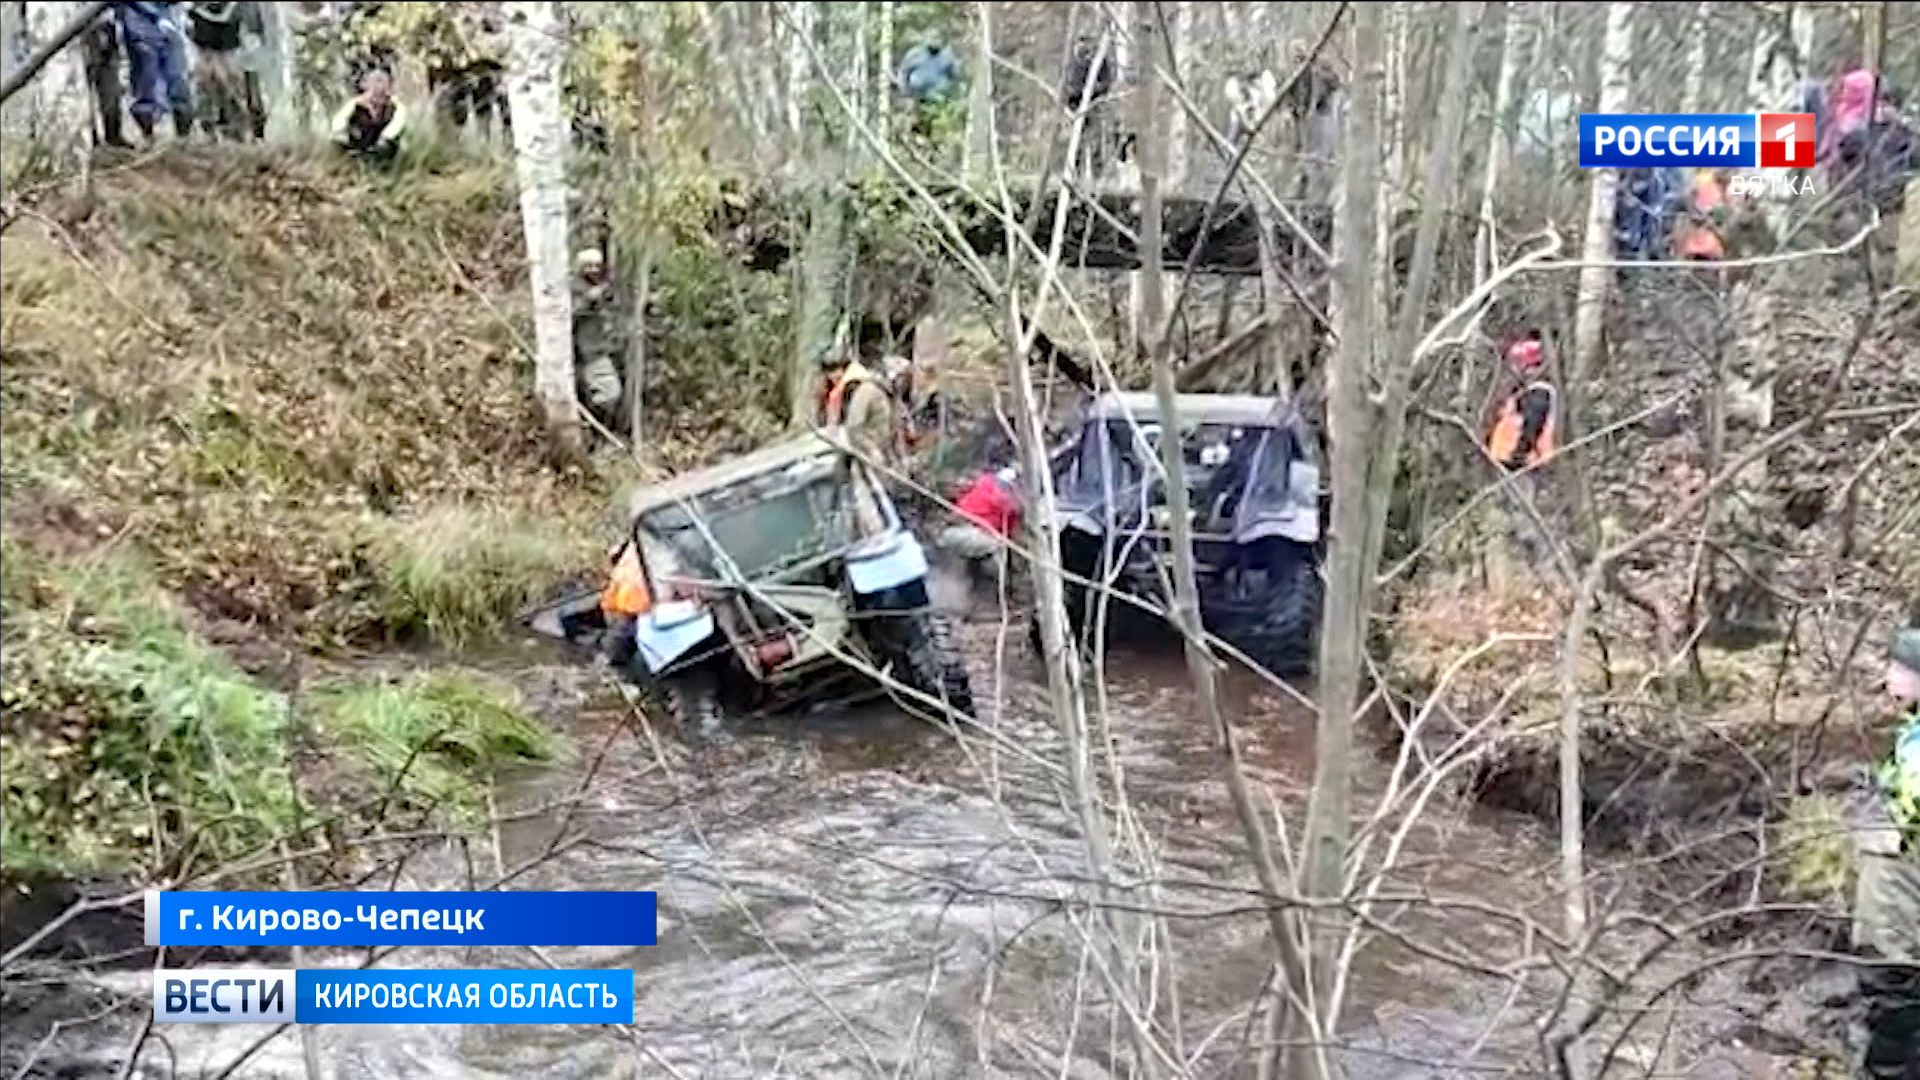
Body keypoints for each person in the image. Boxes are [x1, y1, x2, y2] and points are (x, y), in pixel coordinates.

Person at [1850, 622, 1920, 1078]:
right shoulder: (1912, 733)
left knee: (1894, 999)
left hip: (1900, 906)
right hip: (1899, 897)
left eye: (1898, 667)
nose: (1888, 676)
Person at [1485, 332, 1556, 566]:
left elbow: (1532, 426)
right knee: (1514, 510)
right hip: (1510, 460)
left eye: (1517, 364)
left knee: (1524, 512)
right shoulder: (1524, 392)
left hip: (1523, 463)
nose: (1513, 369)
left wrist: (1519, 454)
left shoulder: (1539, 393)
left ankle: (1541, 561)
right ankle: (1527, 561)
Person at [939, 465, 1022, 616]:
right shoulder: (1008, 501)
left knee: (980, 550)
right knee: (998, 550)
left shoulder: (983, 483)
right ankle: (998, 598)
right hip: (969, 533)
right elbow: (1009, 537)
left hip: (951, 533)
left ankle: (972, 593)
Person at [115, 1, 194, 143]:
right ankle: (148, 136)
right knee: (145, 84)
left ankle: (184, 136)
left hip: (170, 24)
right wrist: (155, 16)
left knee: (178, 80)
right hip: (140, 29)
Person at [186, 2, 265, 141]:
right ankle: (208, 130)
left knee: (234, 85)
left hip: (231, 45)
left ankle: (240, 131)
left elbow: (252, 25)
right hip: (203, 44)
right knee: (205, 84)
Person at [572, 248, 625, 432]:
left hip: (602, 350)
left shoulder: (601, 289)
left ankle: (596, 428)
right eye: (588, 266)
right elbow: (568, 313)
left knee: (606, 394)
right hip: (588, 353)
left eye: (597, 266)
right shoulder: (574, 289)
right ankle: (594, 427)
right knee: (609, 393)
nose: (594, 270)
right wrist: (590, 299)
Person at [819, 346, 897, 468]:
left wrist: (871, 450)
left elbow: (854, 427)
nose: (831, 377)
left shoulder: (863, 390)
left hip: (872, 452)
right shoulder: (865, 385)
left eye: (833, 372)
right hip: (879, 447)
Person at [331, 66, 406, 163]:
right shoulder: (356, 104)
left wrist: (384, 139)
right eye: (373, 81)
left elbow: (397, 125)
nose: (376, 86)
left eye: (380, 81)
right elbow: (339, 122)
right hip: (359, 142)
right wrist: (341, 135)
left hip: (383, 146)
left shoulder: (395, 106)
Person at [79, 8, 131, 149]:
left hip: (106, 28)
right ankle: (93, 138)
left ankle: (113, 135)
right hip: (83, 31)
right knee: (86, 91)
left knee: (111, 89)